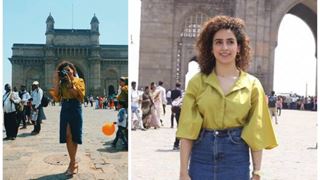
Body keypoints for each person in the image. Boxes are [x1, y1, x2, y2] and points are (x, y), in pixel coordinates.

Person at [176, 16, 278, 180]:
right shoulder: (197, 83)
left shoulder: (252, 85)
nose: (224, 47)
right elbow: (188, 130)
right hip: (201, 158)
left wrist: (257, 171)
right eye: (218, 42)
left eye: (230, 42)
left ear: (239, 47)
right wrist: (183, 171)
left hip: (236, 159)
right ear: (211, 47)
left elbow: (256, 131)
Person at [49, 61, 85, 177]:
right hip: (65, 107)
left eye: (68, 70)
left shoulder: (79, 81)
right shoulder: (61, 83)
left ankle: (72, 163)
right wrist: (56, 80)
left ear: (73, 70)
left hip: (75, 106)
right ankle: (73, 162)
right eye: (64, 70)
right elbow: (57, 98)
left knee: (74, 135)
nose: (67, 72)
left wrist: (70, 82)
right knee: (67, 135)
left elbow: (78, 96)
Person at [171, 82, 183, 150]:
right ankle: (176, 144)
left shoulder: (172, 91)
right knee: (181, 128)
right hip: (180, 110)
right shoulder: (180, 92)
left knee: (179, 127)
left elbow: (172, 99)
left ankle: (176, 144)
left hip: (175, 107)